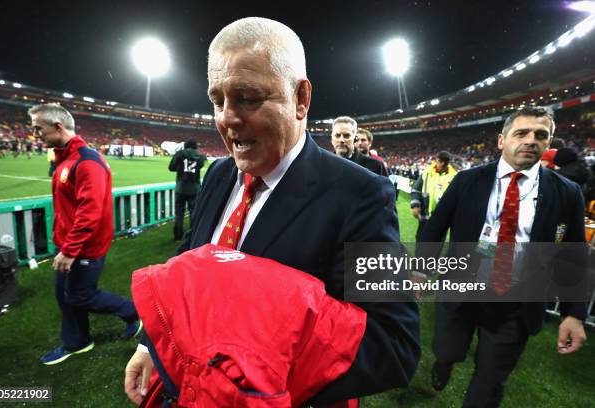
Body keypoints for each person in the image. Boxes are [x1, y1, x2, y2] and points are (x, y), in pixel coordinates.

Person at [125, 17, 419, 406]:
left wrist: (255, 377)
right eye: (217, 100)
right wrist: (152, 344)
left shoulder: (360, 193)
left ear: (301, 99)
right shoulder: (219, 174)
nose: (227, 118)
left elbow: (393, 345)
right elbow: (190, 260)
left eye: (248, 98)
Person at [415, 107, 587, 407]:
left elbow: (574, 255)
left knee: (491, 379)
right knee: (448, 348)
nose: (531, 140)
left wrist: (574, 313)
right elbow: (435, 227)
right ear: (501, 140)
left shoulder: (567, 192)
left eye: (540, 135)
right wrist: (419, 271)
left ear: (549, 144)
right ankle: (445, 361)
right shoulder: (467, 180)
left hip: (517, 303)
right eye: (521, 133)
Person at [28, 103, 141, 365]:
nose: (36, 135)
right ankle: (77, 341)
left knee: (80, 295)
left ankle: (133, 312)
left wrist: (69, 250)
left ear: (58, 127)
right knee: (64, 294)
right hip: (69, 244)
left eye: (38, 129)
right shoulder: (66, 158)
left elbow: (89, 212)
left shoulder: (86, 161)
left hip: (84, 247)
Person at [410, 151, 457, 241]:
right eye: (440, 161)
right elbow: (416, 189)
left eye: (445, 162)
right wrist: (415, 205)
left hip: (442, 219)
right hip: (425, 216)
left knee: (436, 246)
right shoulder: (427, 172)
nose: (442, 164)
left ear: (449, 162)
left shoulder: (454, 176)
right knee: (421, 242)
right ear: (436, 160)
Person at [168, 139, 206, 240]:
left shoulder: (179, 154)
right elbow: (201, 165)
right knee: (194, 212)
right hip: (195, 188)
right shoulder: (201, 156)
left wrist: (180, 167)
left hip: (181, 188)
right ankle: (192, 235)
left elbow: (171, 167)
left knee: (179, 213)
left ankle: (178, 235)